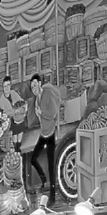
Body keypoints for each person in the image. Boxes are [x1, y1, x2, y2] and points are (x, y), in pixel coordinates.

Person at [29, 74, 61, 203]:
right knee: (33, 159)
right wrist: (38, 115)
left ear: (40, 84)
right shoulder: (36, 99)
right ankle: (43, 178)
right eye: (32, 87)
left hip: (51, 134)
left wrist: (41, 113)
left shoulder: (47, 94)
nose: (34, 89)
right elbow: (40, 119)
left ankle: (52, 195)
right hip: (43, 134)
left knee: (51, 165)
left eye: (35, 85)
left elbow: (53, 114)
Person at [0, 75, 26, 153]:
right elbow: (4, 112)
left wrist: (23, 107)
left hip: (18, 116)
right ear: (3, 87)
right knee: (15, 129)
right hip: (9, 119)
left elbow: (21, 101)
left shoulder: (13, 93)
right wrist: (14, 112)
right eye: (5, 86)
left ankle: (18, 146)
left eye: (8, 85)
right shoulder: (2, 99)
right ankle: (15, 147)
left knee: (21, 125)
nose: (7, 88)